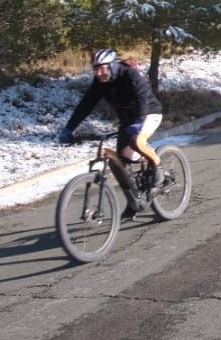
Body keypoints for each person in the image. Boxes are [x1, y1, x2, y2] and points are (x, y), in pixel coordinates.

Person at [57, 48, 163, 220]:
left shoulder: (129, 74)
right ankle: (134, 201)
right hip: (128, 120)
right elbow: (85, 105)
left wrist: (139, 122)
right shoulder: (100, 82)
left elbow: (143, 97)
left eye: (103, 68)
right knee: (117, 160)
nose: (99, 73)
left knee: (137, 142)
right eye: (96, 69)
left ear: (113, 65)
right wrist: (69, 128)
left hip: (149, 113)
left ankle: (157, 165)